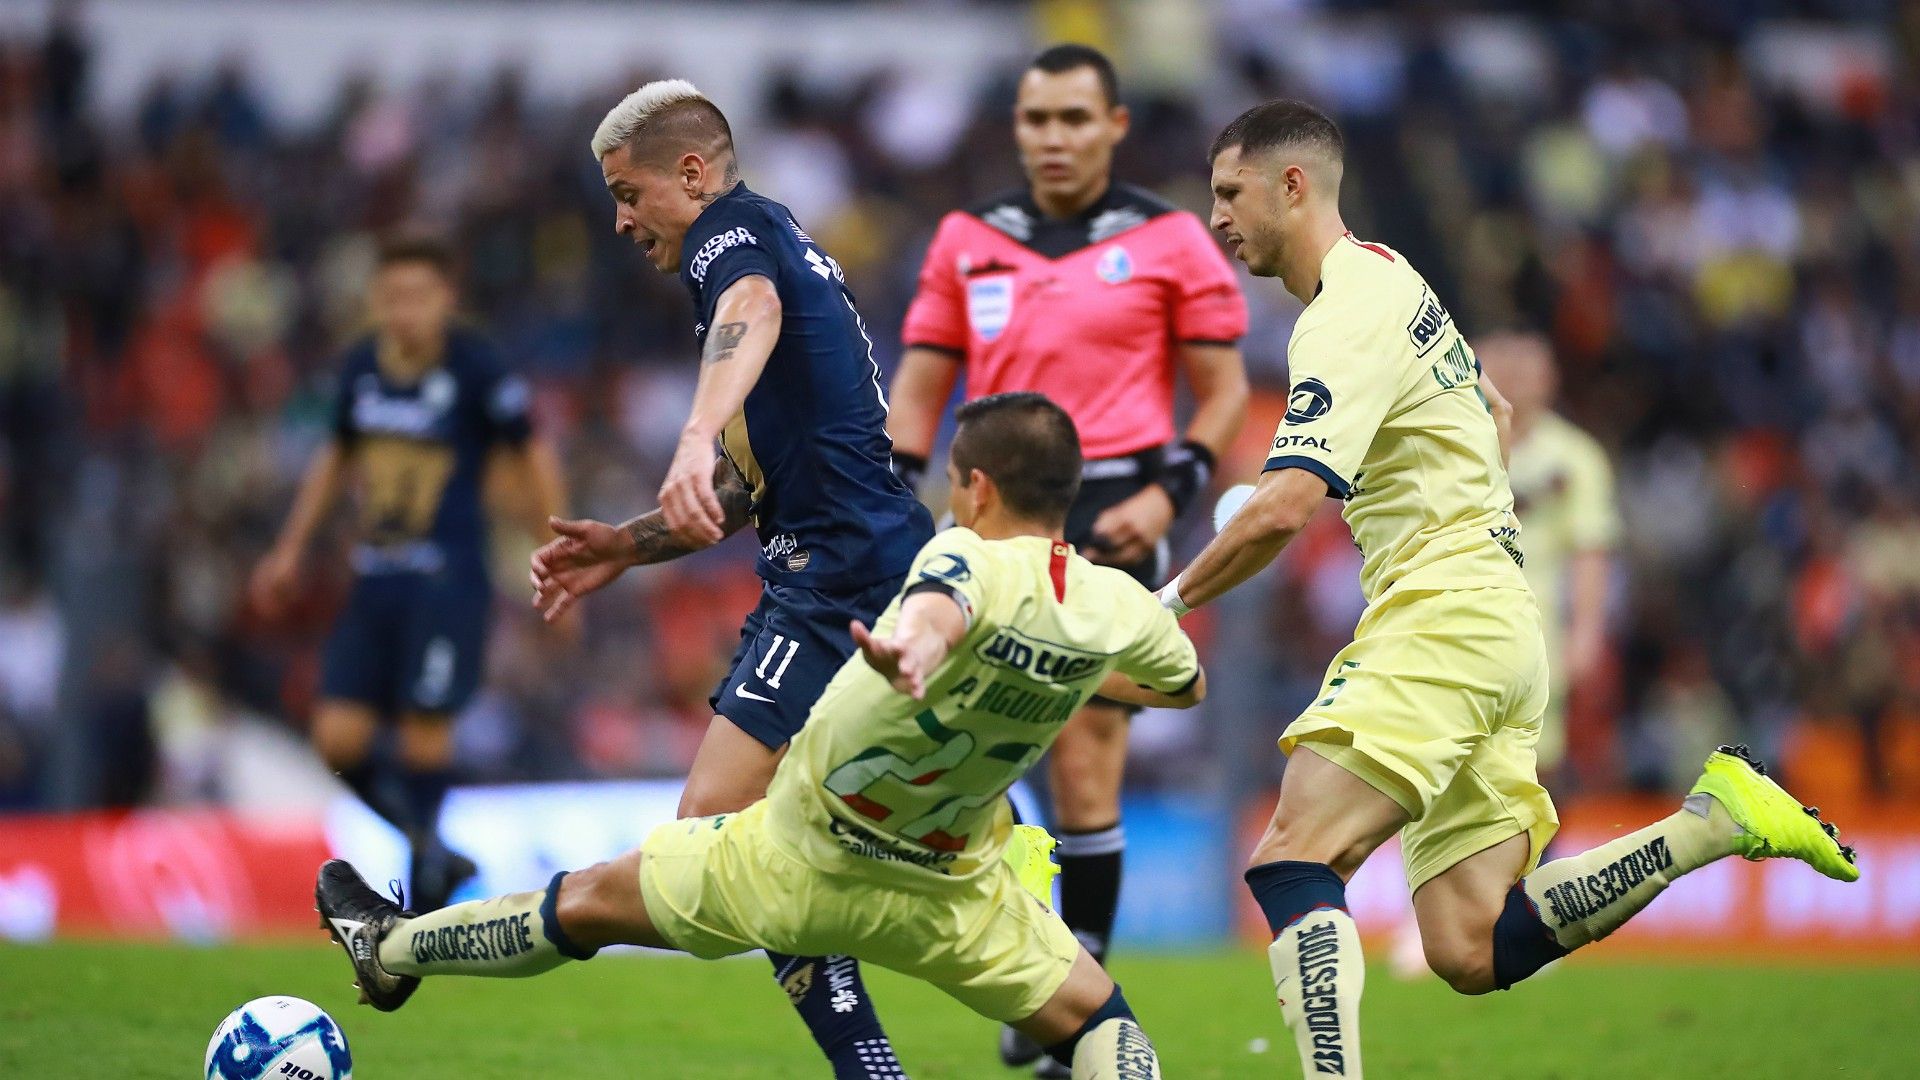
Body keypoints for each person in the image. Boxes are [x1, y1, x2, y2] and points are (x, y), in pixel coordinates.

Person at [1157, 99, 1859, 1078]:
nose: (1218, 218)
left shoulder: (1343, 314)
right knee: (1471, 946)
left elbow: (1283, 506)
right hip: (1499, 622)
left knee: (1291, 858)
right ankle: (1715, 824)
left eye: (1229, 194)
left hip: (1440, 614)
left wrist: (1164, 605)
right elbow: (1475, 390)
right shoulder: (1394, 275)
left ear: (1293, 186)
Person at [317, 392, 1204, 1079]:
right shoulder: (1113, 606)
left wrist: (914, 648)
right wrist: (1055, 662)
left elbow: (940, 607)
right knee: (1104, 1022)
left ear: (974, 487)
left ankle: (391, 949)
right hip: (955, 897)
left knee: (584, 903)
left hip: (799, 860)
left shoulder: (960, 554)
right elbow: (1185, 684)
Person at [519, 80, 934, 1079]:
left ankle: (883, 1057)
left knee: (713, 836)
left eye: (628, 192)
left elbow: (744, 309)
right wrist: (628, 545)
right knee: (766, 838)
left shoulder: (733, 240)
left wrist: (692, 430)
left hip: (840, 581)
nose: (620, 220)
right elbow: (749, 491)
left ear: (692, 174)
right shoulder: (782, 241)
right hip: (863, 564)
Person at [889, 46, 1247, 1070]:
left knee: (1089, 765)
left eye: (1075, 119)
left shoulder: (1171, 239)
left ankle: (1068, 998)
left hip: (1115, 512)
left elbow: (1220, 392)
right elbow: (919, 389)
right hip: (987, 515)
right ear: (1016, 124)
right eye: (1036, 119)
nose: (1053, 138)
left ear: (1116, 126)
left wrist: (1165, 493)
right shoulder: (968, 239)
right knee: (964, 753)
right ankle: (1029, 957)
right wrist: (890, 504)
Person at [251, 236, 565, 913]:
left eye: (418, 296)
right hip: (374, 580)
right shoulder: (363, 366)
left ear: (447, 299)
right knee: (338, 739)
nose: (404, 311)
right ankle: (434, 851)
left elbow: (532, 455)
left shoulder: (478, 367)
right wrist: (290, 549)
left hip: (448, 581)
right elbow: (337, 456)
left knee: (426, 729)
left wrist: (557, 550)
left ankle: (426, 893)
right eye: (392, 297)